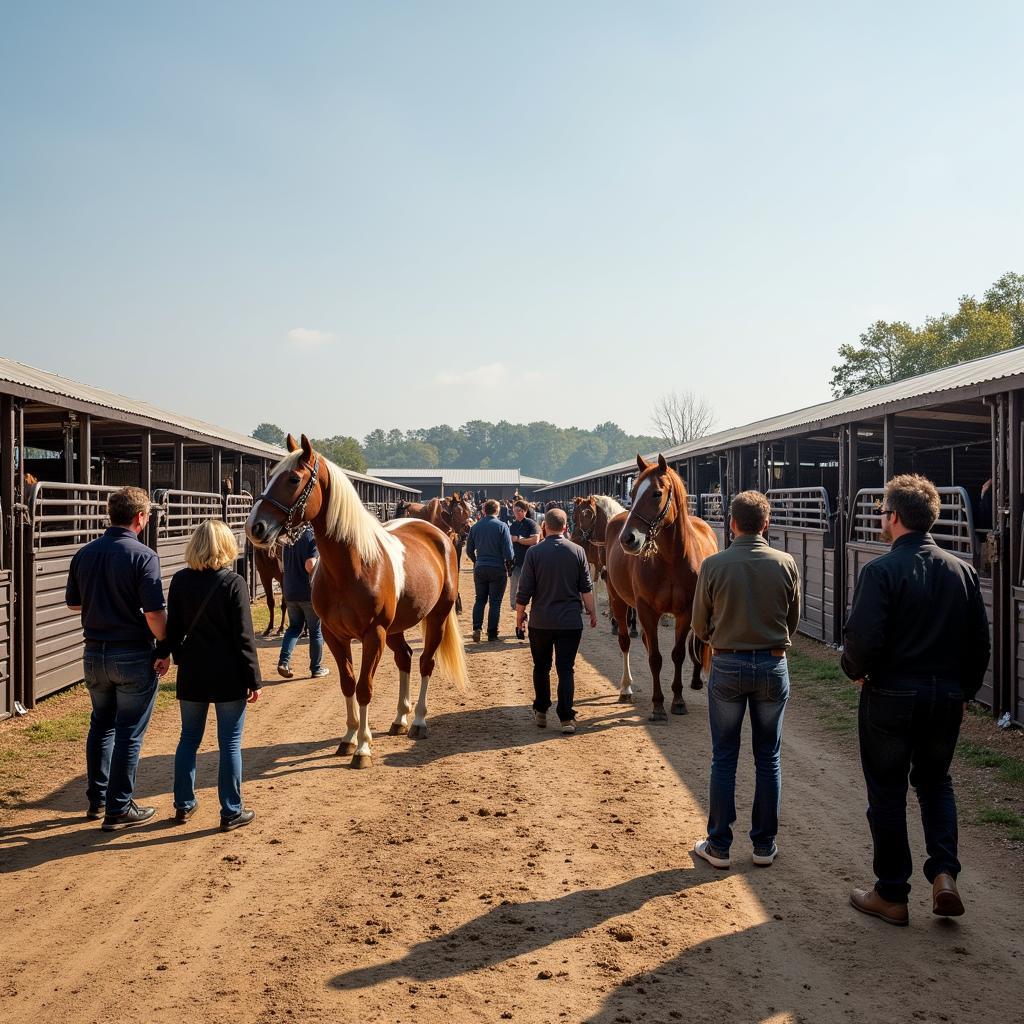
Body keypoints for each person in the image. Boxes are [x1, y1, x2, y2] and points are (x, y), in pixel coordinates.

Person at [842, 474, 990, 926]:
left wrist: (854, 669)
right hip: (945, 697)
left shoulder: (880, 572)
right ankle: (944, 873)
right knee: (935, 783)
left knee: (887, 791)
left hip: (890, 696)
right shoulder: (961, 570)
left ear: (896, 518)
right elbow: (979, 644)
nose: (879, 518)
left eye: (883, 511)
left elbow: (863, 640)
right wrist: (963, 691)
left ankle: (891, 893)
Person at [690, 490, 801, 870]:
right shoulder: (786, 563)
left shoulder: (713, 565)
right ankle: (764, 845)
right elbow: (793, 622)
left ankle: (719, 845)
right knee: (768, 757)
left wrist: (722, 635)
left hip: (728, 664)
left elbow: (699, 625)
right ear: (766, 524)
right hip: (772, 664)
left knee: (724, 757)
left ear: (731, 523)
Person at [65, 486, 166, 831]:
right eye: (149, 516)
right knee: (129, 731)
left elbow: (73, 604)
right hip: (132, 653)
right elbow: (154, 613)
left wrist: (102, 603)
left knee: (101, 724)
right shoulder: (144, 556)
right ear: (140, 517)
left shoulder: (85, 553)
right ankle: (119, 808)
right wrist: (166, 643)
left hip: (93, 653)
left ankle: (97, 799)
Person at [157, 520, 262, 831]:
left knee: (188, 739)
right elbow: (244, 637)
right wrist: (253, 679)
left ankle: (183, 804)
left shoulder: (179, 581)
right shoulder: (234, 583)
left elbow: (173, 628)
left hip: (192, 672)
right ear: (226, 546)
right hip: (228, 674)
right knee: (229, 741)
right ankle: (231, 810)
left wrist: (162, 654)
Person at [515, 507, 597, 734]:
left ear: (544, 526)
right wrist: (592, 612)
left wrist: (519, 617)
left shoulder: (533, 553)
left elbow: (524, 591)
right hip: (570, 622)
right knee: (566, 669)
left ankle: (541, 710)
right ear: (565, 527)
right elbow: (586, 588)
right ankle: (566, 718)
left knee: (541, 667)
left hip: (541, 622)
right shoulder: (578, 551)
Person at [277, 523, 329, 679]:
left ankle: (283, 661)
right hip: (307, 592)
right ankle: (316, 668)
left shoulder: (287, 537)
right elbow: (310, 564)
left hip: (290, 591)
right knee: (315, 631)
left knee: (294, 628)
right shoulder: (310, 536)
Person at [466, 498, 514, 642]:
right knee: (495, 602)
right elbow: (509, 552)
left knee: (480, 600)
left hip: (480, 566)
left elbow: (469, 550)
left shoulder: (475, 527)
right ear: (497, 510)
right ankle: (492, 633)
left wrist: (476, 561)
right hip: (497, 568)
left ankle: (477, 628)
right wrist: (509, 564)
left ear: (483, 511)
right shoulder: (502, 526)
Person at [507, 499, 541, 638]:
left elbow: (535, 540)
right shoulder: (513, 525)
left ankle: (521, 626)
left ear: (525, 511)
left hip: (531, 565)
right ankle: (522, 618)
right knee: (515, 598)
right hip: (516, 564)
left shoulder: (532, 524)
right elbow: (509, 541)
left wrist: (519, 539)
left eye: (520, 511)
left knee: (533, 595)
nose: (517, 513)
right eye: (515, 511)